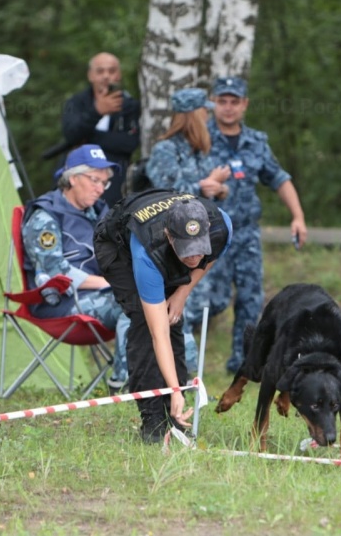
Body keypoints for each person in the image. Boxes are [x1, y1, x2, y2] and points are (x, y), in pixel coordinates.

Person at [93, 190, 233, 443]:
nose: (194, 257)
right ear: (170, 236)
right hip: (118, 246)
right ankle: (154, 420)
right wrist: (175, 389)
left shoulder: (221, 226)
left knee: (173, 317)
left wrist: (183, 292)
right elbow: (159, 335)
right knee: (146, 324)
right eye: (187, 250)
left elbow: (209, 258)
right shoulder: (147, 253)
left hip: (165, 244)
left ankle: (174, 413)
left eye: (198, 248)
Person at [202, 76, 308, 374]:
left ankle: (244, 364)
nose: (228, 108)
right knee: (215, 300)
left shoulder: (256, 142)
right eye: (222, 101)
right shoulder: (201, 139)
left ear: (245, 104)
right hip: (211, 234)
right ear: (214, 104)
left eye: (234, 101)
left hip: (246, 234)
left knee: (251, 302)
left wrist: (297, 216)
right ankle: (182, 349)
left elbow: (279, 178)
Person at [22, 144, 130, 391]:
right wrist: (108, 283)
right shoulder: (45, 216)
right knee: (134, 302)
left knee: (159, 296)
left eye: (104, 183)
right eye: (94, 180)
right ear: (72, 178)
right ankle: (125, 384)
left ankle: (180, 380)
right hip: (60, 304)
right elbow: (55, 271)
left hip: (98, 297)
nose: (100, 188)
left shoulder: (97, 213)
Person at [145, 87, 231, 373]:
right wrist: (204, 186)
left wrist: (218, 189)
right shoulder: (165, 150)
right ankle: (179, 373)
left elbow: (206, 193)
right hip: (174, 244)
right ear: (194, 115)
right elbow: (164, 196)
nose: (208, 118)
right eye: (204, 112)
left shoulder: (200, 152)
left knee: (209, 303)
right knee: (178, 310)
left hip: (201, 241)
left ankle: (185, 371)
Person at [54, 52, 141, 206]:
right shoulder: (76, 102)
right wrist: (97, 112)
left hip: (112, 176)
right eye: (100, 71)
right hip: (75, 173)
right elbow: (70, 134)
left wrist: (88, 138)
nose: (106, 76)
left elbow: (129, 143)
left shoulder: (129, 105)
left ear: (119, 74)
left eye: (112, 71)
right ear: (90, 75)